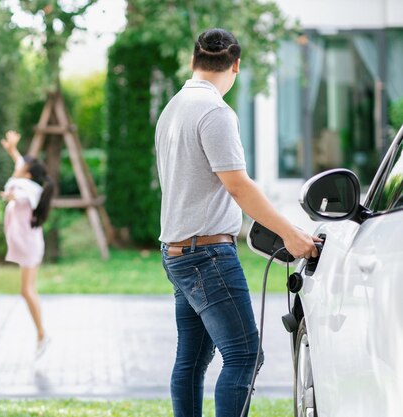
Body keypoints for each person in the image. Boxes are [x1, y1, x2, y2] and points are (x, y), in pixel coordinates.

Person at [155, 28, 321, 417]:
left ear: (194, 62)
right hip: (207, 255)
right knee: (244, 354)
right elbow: (237, 185)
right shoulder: (214, 112)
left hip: (177, 253)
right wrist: (290, 232)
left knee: (191, 361)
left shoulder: (173, 108)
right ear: (236, 66)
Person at [0, 130, 54, 357]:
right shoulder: (26, 182)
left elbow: (21, 195)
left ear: (28, 174)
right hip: (29, 244)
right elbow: (19, 164)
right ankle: (41, 333)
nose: (19, 166)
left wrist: (11, 197)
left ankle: (42, 333)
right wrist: (12, 150)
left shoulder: (28, 189)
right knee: (27, 290)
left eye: (23, 166)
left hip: (30, 247)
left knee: (27, 290)